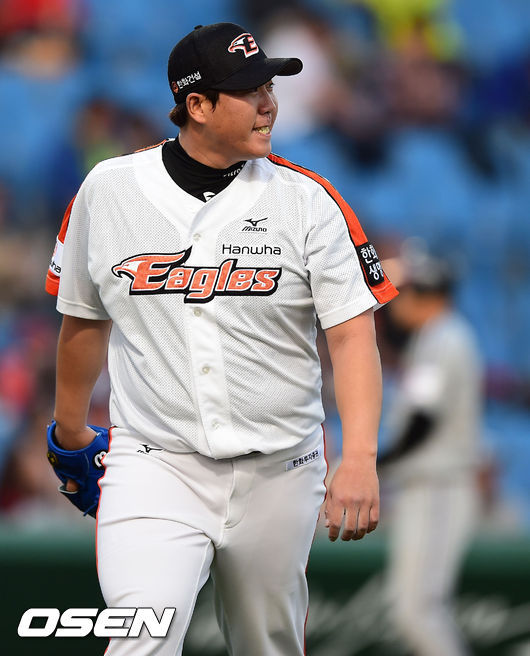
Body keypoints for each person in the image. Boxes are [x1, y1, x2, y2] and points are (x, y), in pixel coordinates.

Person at [45, 22, 397, 656]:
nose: (269, 104)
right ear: (197, 105)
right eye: (249, 90)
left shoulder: (308, 201)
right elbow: (83, 320)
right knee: (142, 637)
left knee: (268, 646)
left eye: (270, 86)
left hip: (281, 468)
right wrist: (70, 433)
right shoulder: (109, 190)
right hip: (156, 462)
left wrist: (360, 458)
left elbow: (351, 337)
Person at [378, 252, 483, 656]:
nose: (397, 303)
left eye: (404, 293)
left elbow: (422, 421)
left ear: (427, 295)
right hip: (430, 485)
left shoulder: (444, 338)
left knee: (417, 611)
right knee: (414, 608)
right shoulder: (437, 337)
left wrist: (375, 464)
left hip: (439, 485)